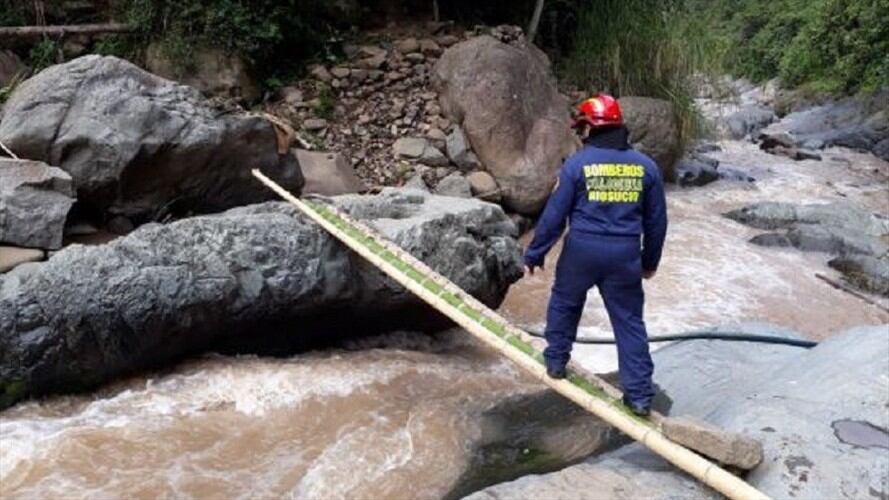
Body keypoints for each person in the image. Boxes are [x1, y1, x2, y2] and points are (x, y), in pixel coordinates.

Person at [524, 94, 667, 417]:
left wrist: (535, 253)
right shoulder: (647, 167)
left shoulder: (577, 165)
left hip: (581, 251)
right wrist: (649, 262)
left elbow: (554, 217)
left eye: (582, 127)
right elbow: (657, 222)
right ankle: (640, 397)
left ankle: (557, 363)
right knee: (629, 323)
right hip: (625, 254)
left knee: (564, 304)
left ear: (590, 127)